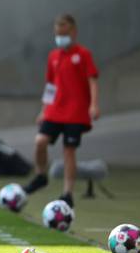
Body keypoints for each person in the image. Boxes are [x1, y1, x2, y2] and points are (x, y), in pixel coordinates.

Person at [23, 14, 99, 208]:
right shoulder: (54, 56)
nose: (60, 37)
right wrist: (44, 109)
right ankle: (41, 175)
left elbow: (92, 80)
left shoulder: (83, 54)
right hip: (55, 110)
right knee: (40, 141)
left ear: (73, 32)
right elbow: (50, 85)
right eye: (58, 34)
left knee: (69, 151)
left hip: (76, 112)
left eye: (64, 33)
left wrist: (94, 104)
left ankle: (67, 193)